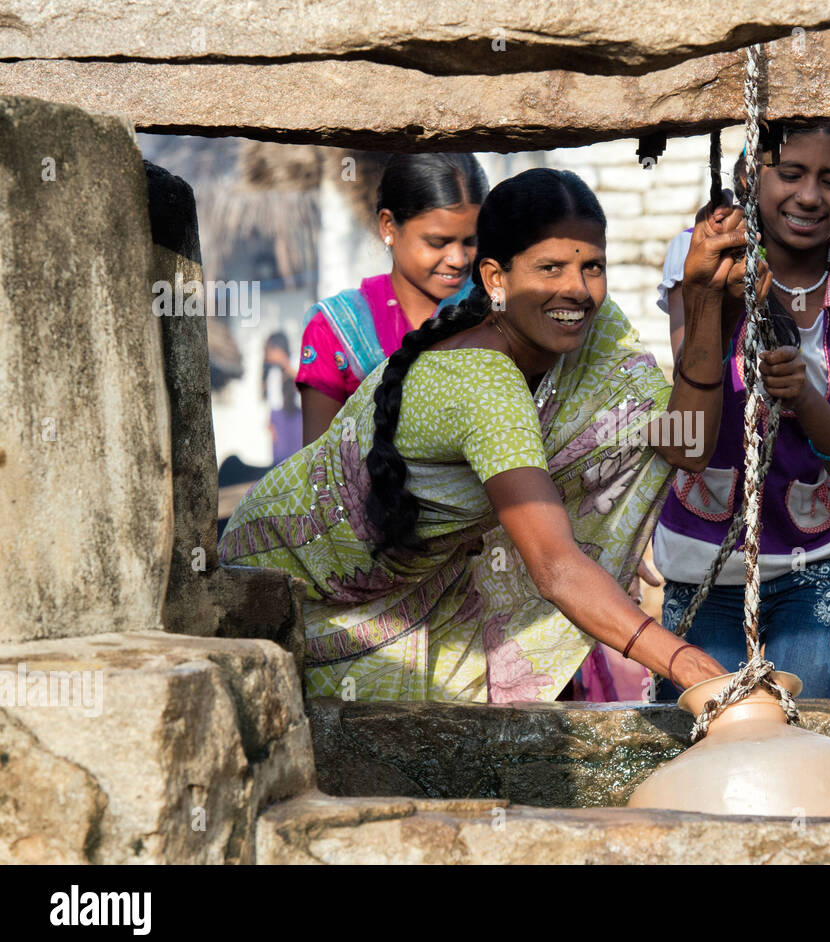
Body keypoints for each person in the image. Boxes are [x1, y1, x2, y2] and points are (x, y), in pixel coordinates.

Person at [218, 167, 777, 703]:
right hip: (292, 587)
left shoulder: (591, 333)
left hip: (414, 589)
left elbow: (686, 444)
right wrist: (694, 668)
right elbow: (556, 566)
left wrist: (705, 301)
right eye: (549, 268)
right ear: (494, 279)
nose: (577, 290)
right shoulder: (481, 381)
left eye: (592, 268)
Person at [654, 121, 830, 701]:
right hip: (702, 566)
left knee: (800, 740)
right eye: (790, 173)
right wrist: (713, 301)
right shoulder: (700, 260)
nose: (809, 195)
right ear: (748, 174)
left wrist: (807, 398)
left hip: (820, 571)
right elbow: (686, 445)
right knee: (701, 748)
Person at [297, 153, 485, 445]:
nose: (458, 259)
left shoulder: (491, 312)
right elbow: (316, 467)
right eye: (438, 242)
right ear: (388, 226)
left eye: (470, 241)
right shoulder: (335, 330)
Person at [264, 331, 302, 465]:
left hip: (298, 418)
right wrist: (270, 423)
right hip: (280, 420)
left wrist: (286, 366)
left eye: (270, 350)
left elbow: (305, 384)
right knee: (280, 462)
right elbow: (272, 402)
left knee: (298, 459)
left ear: (279, 348)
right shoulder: (274, 372)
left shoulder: (297, 361)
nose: (267, 355)